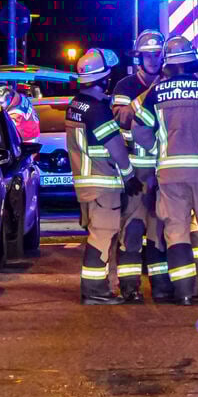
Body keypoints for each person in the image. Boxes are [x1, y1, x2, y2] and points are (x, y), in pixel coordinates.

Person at [131, 37, 198, 305]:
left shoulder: (156, 92)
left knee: (176, 230)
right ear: (192, 63)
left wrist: (159, 148)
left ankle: (183, 293)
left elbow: (139, 130)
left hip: (169, 173)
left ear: (168, 65)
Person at [65, 49, 143, 304]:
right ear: (104, 80)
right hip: (102, 183)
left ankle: (96, 290)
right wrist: (129, 175)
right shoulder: (97, 110)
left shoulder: (76, 105)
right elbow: (115, 145)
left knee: (98, 233)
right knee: (102, 234)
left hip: (87, 183)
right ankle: (95, 291)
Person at [112, 30, 169, 301]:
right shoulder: (125, 86)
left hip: (163, 170)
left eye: (157, 55)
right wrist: (151, 93)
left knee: (159, 232)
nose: (153, 60)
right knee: (132, 230)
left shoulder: (170, 85)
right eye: (148, 55)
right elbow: (122, 118)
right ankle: (130, 287)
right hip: (135, 171)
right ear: (139, 57)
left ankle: (161, 287)